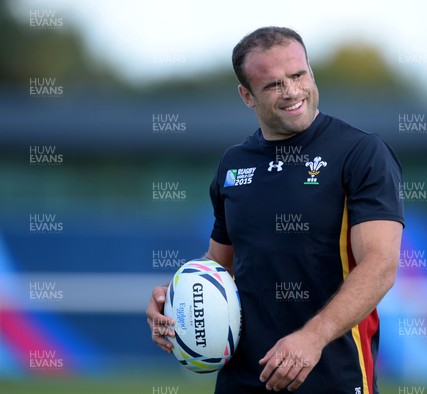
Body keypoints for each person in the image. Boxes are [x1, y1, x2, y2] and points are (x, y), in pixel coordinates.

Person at [146, 26, 404, 394]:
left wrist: (312, 338)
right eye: (272, 85)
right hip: (243, 378)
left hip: (333, 376)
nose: (292, 92)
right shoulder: (233, 165)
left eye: (298, 75)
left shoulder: (361, 153)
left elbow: (380, 266)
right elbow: (220, 264)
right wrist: (174, 301)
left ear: (310, 72)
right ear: (247, 96)